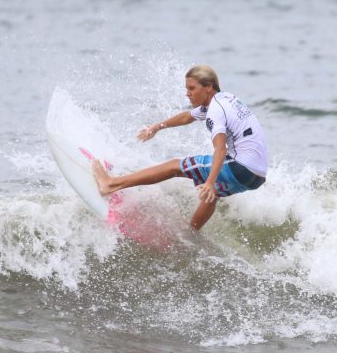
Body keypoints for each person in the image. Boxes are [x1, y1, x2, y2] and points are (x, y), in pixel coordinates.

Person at [92, 65, 268, 230]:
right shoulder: (226, 98)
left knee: (176, 166)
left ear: (208, 87)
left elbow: (220, 149)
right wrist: (156, 127)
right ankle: (191, 232)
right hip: (256, 176)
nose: (187, 94)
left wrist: (209, 181)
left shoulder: (215, 111)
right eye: (187, 89)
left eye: (192, 88)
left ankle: (111, 184)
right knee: (212, 194)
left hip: (240, 167)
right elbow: (187, 117)